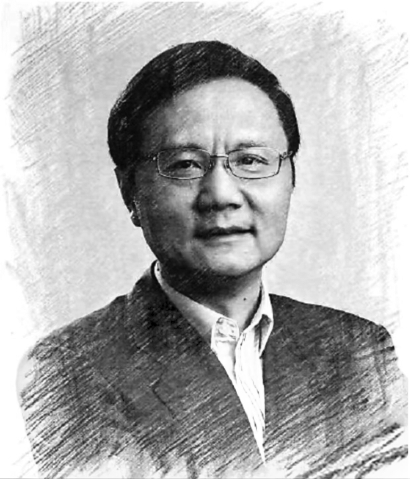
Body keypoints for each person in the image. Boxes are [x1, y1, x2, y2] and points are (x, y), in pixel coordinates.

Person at [17, 41, 407, 478]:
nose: (221, 195)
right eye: (185, 165)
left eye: (251, 160)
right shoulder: (70, 369)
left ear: (291, 178)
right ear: (130, 193)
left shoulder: (360, 351)